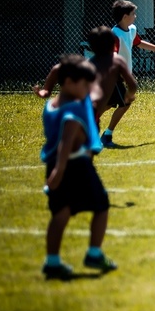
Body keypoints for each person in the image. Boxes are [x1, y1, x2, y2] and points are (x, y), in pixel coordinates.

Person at [38, 55, 116, 280]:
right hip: (75, 165)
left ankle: (52, 261)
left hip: (53, 164)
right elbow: (66, 143)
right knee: (101, 205)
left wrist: (54, 171)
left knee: (60, 214)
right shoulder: (73, 111)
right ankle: (94, 253)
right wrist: (60, 171)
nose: (89, 88)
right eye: (86, 84)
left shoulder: (50, 106)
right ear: (70, 82)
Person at [33, 26, 137, 128]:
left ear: (91, 46)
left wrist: (44, 92)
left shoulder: (86, 64)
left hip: (62, 108)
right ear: (114, 45)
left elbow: (58, 68)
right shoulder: (117, 61)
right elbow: (133, 85)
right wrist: (129, 96)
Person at [102, 0, 155, 147]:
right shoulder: (114, 34)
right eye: (133, 13)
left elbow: (138, 43)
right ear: (125, 16)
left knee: (112, 104)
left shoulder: (131, 29)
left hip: (122, 76)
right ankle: (102, 134)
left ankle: (91, 128)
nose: (135, 16)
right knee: (122, 103)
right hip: (114, 76)